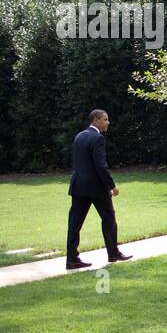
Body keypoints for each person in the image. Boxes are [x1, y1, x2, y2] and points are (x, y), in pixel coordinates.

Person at [65, 109, 132, 270]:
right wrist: (112, 186)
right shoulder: (98, 138)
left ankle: (72, 259)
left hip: (78, 186)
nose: (108, 122)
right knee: (109, 218)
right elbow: (101, 166)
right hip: (96, 188)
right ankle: (113, 253)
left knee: (74, 223)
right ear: (95, 120)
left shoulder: (79, 136)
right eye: (105, 119)